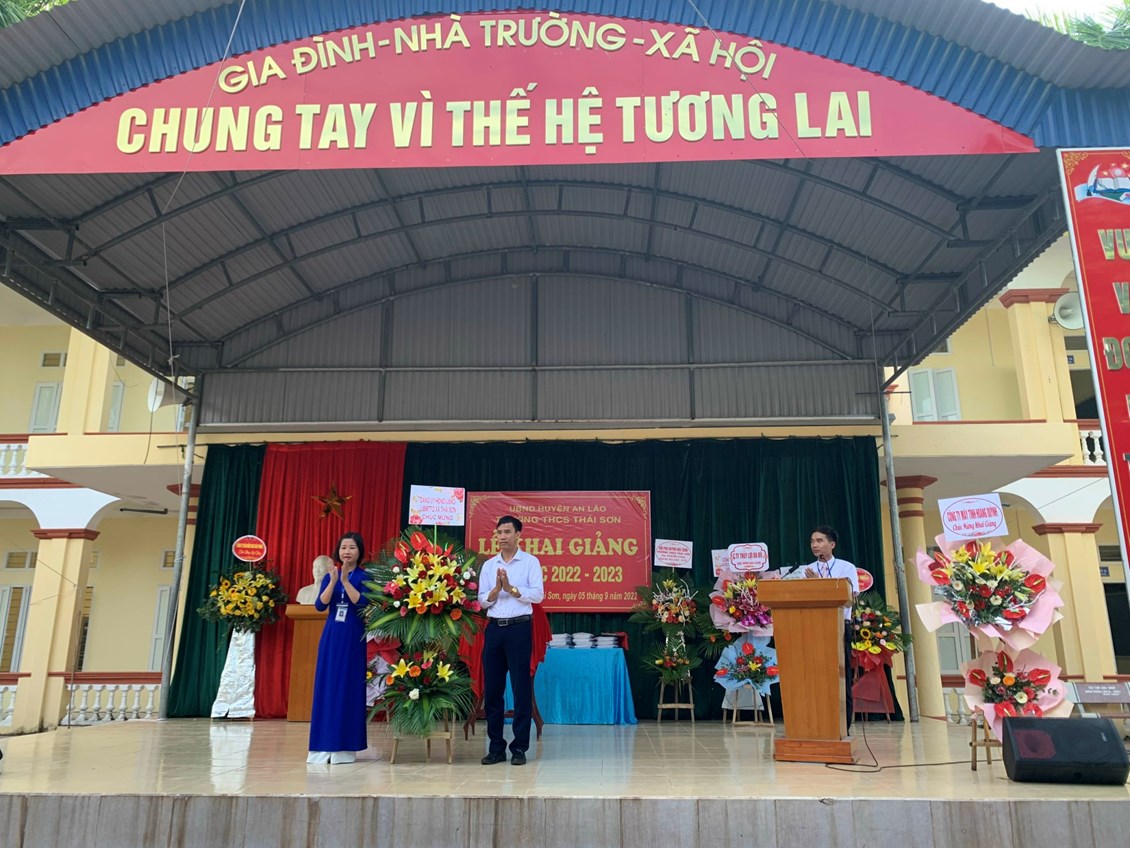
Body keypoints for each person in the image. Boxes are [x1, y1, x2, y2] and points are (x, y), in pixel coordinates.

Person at [478, 515, 544, 766]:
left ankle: (519, 748)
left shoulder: (530, 562)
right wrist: (497, 589)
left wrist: (512, 589)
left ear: (518, 535)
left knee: (520, 688)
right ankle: (496, 748)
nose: (502, 536)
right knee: (493, 690)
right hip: (495, 629)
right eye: (499, 532)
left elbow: (537, 595)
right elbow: (482, 600)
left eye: (507, 532)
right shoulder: (489, 565)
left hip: (519, 629)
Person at [307, 532, 370, 765]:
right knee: (327, 685)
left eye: (352, 547)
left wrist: (345, 581)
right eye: (344, 547)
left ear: (359, 551)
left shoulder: (365, 576)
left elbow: (362, 603)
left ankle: (345, 746)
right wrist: (334, 581)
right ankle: (322, 744)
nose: (347, 552)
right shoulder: (329, 576)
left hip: (353, 635)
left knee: (348, 686)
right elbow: (319, 605)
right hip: (332, 635)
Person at [801, 525, 860, 731]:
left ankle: (843, 725)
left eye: (819, 541)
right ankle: (817, 722)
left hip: (839, 627)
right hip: (814, 627)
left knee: (841, 676)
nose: (814, 545)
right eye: (812, 541)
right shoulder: (806, 570)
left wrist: (820, 584)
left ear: (832, 544)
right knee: (815, 676)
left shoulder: (847, 568)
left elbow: (850, 599)